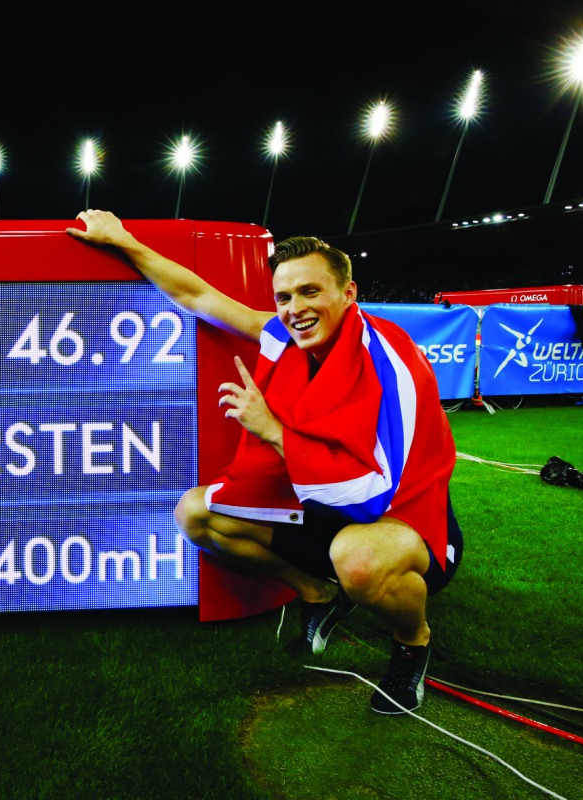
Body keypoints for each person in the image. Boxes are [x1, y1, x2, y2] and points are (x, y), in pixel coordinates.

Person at [67, 210, 463, 714]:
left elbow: (370, 493)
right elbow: (199, 297)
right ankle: (318, 596)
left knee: (358, 560)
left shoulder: (392, 361)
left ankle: (413, 641)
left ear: (348, 293)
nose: (295, 308)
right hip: (319, 502)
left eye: (310, 292)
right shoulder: (284, 334)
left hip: (396, 514)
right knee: (195, 513)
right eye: (284, 297)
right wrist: (125, 242)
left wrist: (273, 432)